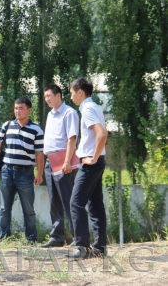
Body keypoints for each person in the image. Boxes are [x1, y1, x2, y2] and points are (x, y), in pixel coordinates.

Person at [65, 78, 107, 259]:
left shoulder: (88, 109)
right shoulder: (94, 107)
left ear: (80, 92)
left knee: (76, 203)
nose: (71, 97)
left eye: (72, 93)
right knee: (95, 205)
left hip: (91, 163)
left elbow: (102, 134)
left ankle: (82, 247)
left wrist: (93, 157)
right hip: (96, 162)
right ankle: (100, 248)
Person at [0, 97, 44, 243]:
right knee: (4, 208)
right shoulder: (7, 125)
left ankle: (32, 239)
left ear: (29, 110)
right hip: (6, 171)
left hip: (26, 173)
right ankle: (4, 239)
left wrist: (39, 173)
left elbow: (39, 153)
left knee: (28, 209)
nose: (17, 111)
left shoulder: (36, 129)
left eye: (21, 108)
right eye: (15, 108)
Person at [41, 84, 79, 248]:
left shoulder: (69, 112)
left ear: (58, 95)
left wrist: (67, 162)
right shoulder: (50, 114)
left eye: (49, 96)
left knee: (68, 200)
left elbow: (72, 138)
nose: (47, 99)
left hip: (64, 160)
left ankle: (78, 236)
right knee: (54, 200)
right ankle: (57, 236)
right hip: (50, 161)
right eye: (45, 97)